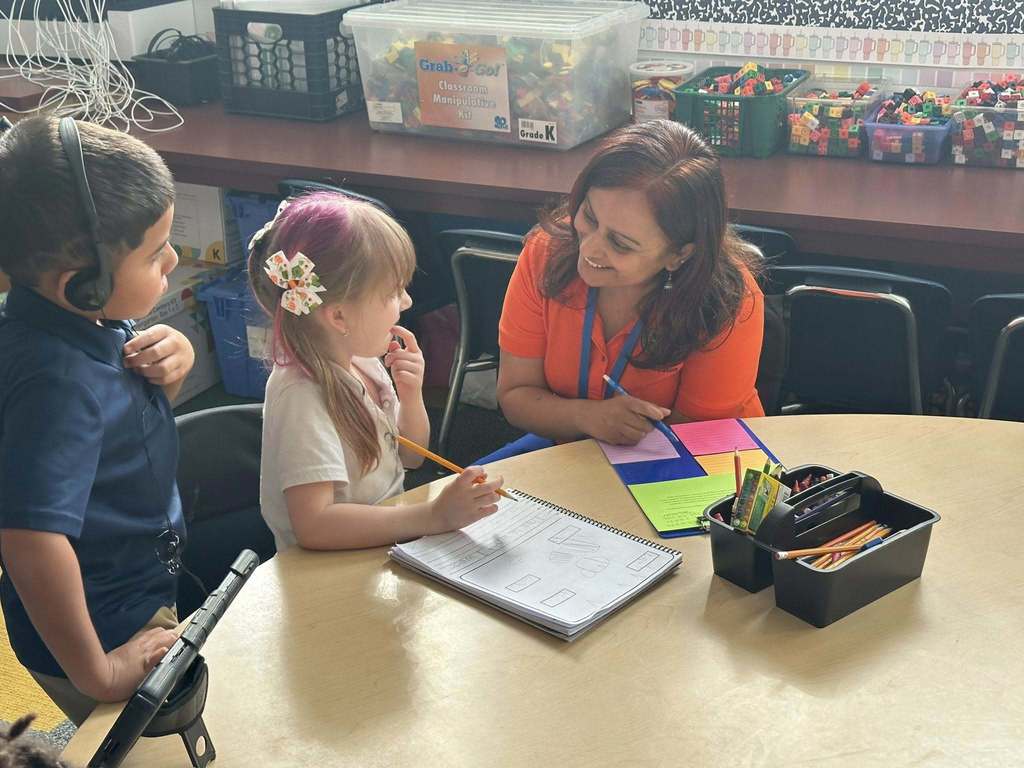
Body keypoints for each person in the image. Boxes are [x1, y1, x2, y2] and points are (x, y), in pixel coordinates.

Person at [0, 116, 192, 725]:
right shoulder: (57, 384)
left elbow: (121, 420)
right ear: (79, 285)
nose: (175, 258)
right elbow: (29, 540)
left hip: (134, 578)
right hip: (105, 626)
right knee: (151, 746)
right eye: (156, 252)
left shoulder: (88, 321)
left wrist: (174, 364)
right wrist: (98, 672)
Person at [493, 120, 764, 460]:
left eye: (621, 244)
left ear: (679, 254)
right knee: (461, 504)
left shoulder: (728, 301)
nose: (589, 249)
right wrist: (587, 417)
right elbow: (516, 396)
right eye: (589, 217)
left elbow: (693, 447)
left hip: (691, 463)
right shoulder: (547, 251)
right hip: (574, 444)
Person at [248, 192, 502, 552]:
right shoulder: (301, 395)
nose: (407, 302)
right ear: (338, 317)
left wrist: (411, 395)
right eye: (393, 293)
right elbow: (314, 526)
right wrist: (432, 516)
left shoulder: (362, 360)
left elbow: (411, 457)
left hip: (381, 539)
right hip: (325, 572)